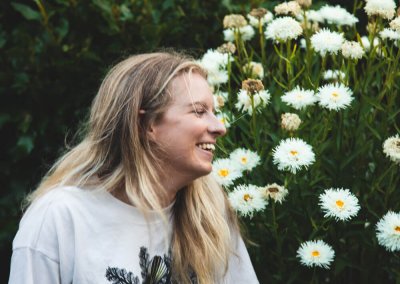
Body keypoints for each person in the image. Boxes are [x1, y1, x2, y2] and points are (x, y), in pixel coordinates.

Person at [8, 52, 259, 284]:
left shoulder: (209, 214)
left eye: (213, 112)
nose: (219, 127)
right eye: (199, 111)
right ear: (146, 124)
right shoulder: (61, 217)